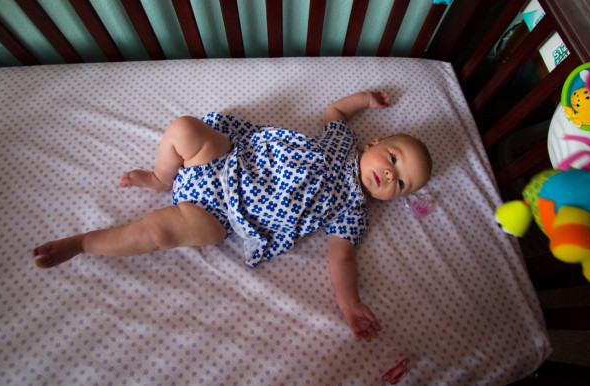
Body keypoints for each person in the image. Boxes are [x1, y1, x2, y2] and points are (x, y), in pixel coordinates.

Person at [32, 90, 433, 342]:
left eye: (400, 184)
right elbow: (335, 111)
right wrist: (366, 100)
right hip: (228, 160)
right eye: (393, 160)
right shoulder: (342, 140)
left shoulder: (353, 212)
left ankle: (84, 242)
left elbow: (340, 258)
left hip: (223, 217)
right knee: (184, 128)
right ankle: (160, 177)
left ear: (392, 198)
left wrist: (349, 303)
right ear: (375, 142)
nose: (389, 175)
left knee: (159, 233)